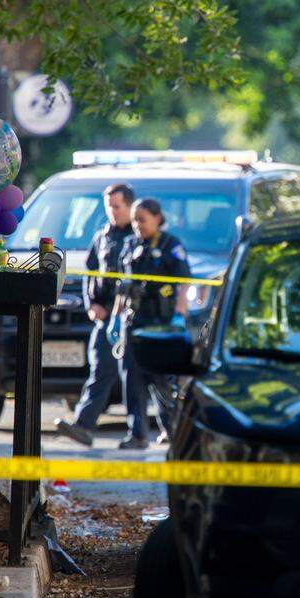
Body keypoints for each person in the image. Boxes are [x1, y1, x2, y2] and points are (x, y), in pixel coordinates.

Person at [54, 183, 135, 446]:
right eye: (109, 207)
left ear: (130, 206)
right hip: (104, 320)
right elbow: (90, 272)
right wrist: (91, 304)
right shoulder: (102, 237)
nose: (112, 212)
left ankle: (162, 427)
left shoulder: (137, 237)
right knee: (100, 371)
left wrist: (117, 309)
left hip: (129, 318)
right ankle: (83, 426)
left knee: (146, 379)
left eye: (117, 206)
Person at [113, 197, 191, 449]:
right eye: (135, 220)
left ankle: (172, 430)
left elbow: (183, 282)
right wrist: (116, 318)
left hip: (161, 322)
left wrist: (180, 314)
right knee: (132, 380)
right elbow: (121, 285)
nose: (137, 225)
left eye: (142, 220)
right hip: (134, 321)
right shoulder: (129, 244)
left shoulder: (171, 245)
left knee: (161, 381)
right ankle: (137, 435)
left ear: (158, 218)